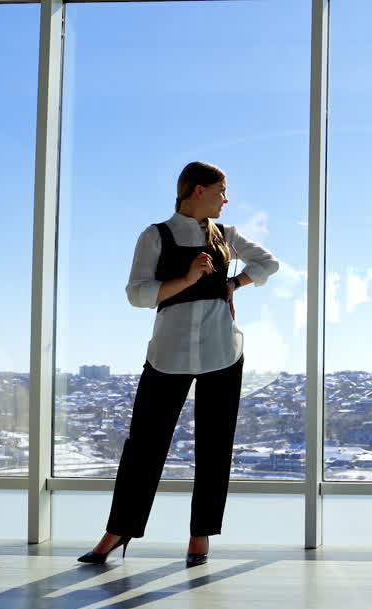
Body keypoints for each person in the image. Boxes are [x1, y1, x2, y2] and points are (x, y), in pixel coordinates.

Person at [79, 161, 279, 568]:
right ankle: (117, 532)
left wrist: (233, 283)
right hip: (168, 353)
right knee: (143, 447)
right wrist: (188, 280)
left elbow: (268, 264)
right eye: (221, 190)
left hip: (223, 352)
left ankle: (200, 536)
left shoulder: (227, 235)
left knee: (215, 446)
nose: (226, 199)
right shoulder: (155, 235)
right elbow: (137, 294)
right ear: (198, 190)